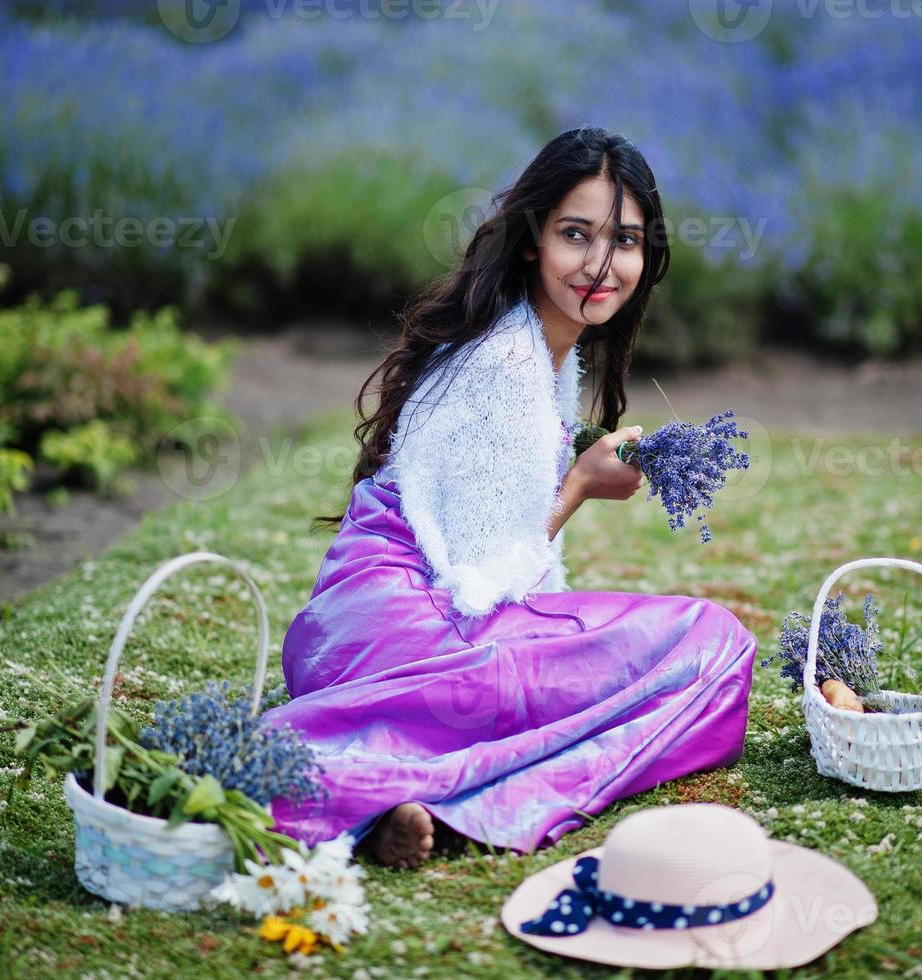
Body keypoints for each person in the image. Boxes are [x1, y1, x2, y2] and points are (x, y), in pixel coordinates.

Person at [260, 125, 758, 870]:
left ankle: (406, 793)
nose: (599, 265)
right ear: (531, 240)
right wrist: (582, 484)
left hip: (358, 635)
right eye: (575, 234)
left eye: (623, 241)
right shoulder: (505, 366)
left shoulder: (529, 350)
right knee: (711, 643)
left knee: (636, 658)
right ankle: (426, 783)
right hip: (411, 640)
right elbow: (483, 587)